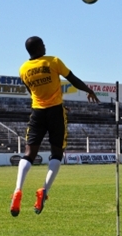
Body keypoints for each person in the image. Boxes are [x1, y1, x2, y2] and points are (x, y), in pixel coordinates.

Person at [10, 36, 100, 217]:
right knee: (57, 154)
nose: (45, 46)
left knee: (29, 154)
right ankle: (44, 190)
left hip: (37, 112)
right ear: (37, 48)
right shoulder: (53, 61)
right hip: (55, 112)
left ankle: (18, 189)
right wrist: (89, 90)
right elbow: (72, 79)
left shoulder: (23, 69)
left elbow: (31, 91)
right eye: (43, 44)